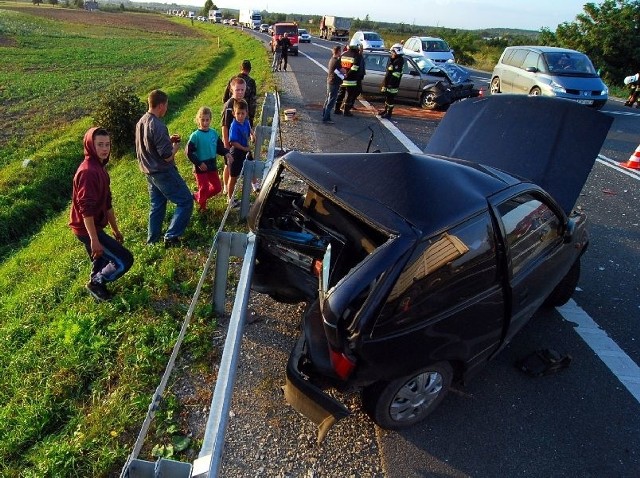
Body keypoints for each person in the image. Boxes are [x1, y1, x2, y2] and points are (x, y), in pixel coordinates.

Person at [70, 127, 134, 301]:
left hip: (94, 225)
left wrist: (115, 229)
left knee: (102, 256)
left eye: (107, 144)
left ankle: (95, 282)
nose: (105, 149)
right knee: (124, 260)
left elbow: (107, 204)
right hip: (86, 228)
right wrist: (94, 240)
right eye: (100, 145)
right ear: (90, 145)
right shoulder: (88, 172)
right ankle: (96, 283)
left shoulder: (100, 168)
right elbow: (86, 209)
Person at [135, 89, 193, 247]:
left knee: (157, 205)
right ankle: (171, 236)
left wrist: (167, 140)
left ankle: (152, 241)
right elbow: (167, 156)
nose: (166, 108)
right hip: (163, 172)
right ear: (160, 105)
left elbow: (150, 146)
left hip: (149, 172)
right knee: (186, 201)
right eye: (166, 105)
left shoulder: (141, 122)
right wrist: (175, 146)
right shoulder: (158, 126)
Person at [185, 106, 233, 211]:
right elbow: (188, 152)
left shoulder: (213, 133)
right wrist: (199, 163)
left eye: (207, 120)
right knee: (204, 188)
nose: (205, 123)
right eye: (202, 120)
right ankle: (202, 208)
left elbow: (219, 147)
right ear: (198, 120)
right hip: (201, 167)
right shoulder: (195, 136)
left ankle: (198, 197)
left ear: (210, 120)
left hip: (212, 165)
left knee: (217, 188)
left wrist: (226, 153)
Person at [221, 77, 246, 196]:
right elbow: (224, 126)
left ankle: (227, 186)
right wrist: (226, 144)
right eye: (237, 90)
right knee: (228, 164)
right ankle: (226, 186)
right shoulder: (229, 105)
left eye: (242, 90)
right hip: (229, 142)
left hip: (238, 140)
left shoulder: (242, 102)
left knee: (230, 165)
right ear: (232, 90)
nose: (240, 92)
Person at [227, 99, 256, 206]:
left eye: (242, 113)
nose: (240, 116)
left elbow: (250, 130)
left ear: (246, 113)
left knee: (252, 167)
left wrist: (253, 135)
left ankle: (255, 185)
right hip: (237, 152)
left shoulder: (246, 122)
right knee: (233, 177)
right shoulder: (234, 125)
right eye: (238, 113)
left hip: (246, 150)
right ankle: (230, 199)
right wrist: (244, 149)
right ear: (234, 113)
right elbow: (232, 141)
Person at [223, 60, 258, 126]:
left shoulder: (233, 79)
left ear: (241, 68)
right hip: (243, 115)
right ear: (250, 69)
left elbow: (225, 97)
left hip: (231, 113)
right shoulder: (251, 82)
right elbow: (252, 102)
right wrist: (251, 117)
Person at [334, 40, 363, 117]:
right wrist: (347, 75)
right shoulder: (357, 56)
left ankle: (336, 109)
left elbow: (339, 66)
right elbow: (354, 68)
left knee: (340, 94)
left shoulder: (344, 54)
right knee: (349, 96)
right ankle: (346, 111)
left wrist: (343, 76)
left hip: (342, 79)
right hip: (351, 81)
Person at [378, 43, 405, 119]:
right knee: (387, 98)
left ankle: (388, 113)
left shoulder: (398, 61)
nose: (391, 53)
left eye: (393, 52)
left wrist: (388, 85)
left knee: (390, 99)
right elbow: (389, 73)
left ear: (397, 52)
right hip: (390, 83)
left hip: (392, 84)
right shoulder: (395, 60)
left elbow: (395, 75)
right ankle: (386, 110)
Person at [322, 46, 344, 124]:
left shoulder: (332, 59)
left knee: (328, 98)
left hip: (330, 81)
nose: (340, 53)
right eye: (340, 51)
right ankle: (326, 118)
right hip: (334, 82)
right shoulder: (337, 61)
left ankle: (324, 114)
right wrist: (344, 74)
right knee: (331, 101)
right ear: (338, 51)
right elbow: (342, 70)